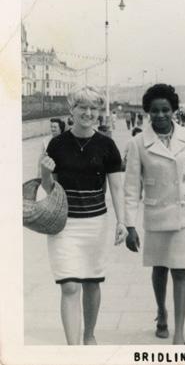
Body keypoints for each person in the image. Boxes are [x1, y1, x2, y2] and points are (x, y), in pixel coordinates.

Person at [124, 83, 185, 345]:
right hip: (156, 213)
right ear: (148, 112)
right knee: (160, 268)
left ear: (174, 110)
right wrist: (130, 225)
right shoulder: (138, 143)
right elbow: (131, 187)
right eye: (155, 110)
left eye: (165, 109)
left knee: (180, 272)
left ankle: (179, 333)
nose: (160, 115)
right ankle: (161, 312)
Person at [40, 86, 128, 345]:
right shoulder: (57, 144)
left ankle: (89, 336)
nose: (88, 113)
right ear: (72, 110)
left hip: (95, 224)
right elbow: (49, 188)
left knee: (91, 282)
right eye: (82, 107)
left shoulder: (107, 145)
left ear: (99, 112)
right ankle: (73, 350)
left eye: (94, 108)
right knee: (69, 285)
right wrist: (45, 172)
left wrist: (122, 221)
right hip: (64, 224)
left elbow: (117, 187)